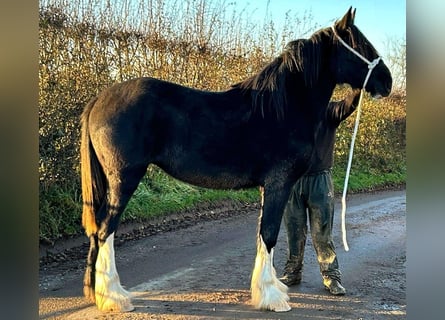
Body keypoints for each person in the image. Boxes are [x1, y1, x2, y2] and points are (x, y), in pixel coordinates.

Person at [280, 88, 361, 295]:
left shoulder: (329, 111)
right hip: (292, 181)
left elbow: (349, 104)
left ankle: (331, 277)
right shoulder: (287, 113)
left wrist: (359, 85)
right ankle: (292, 272)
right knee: (294, 231)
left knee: (322, 232)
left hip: (320, 181)